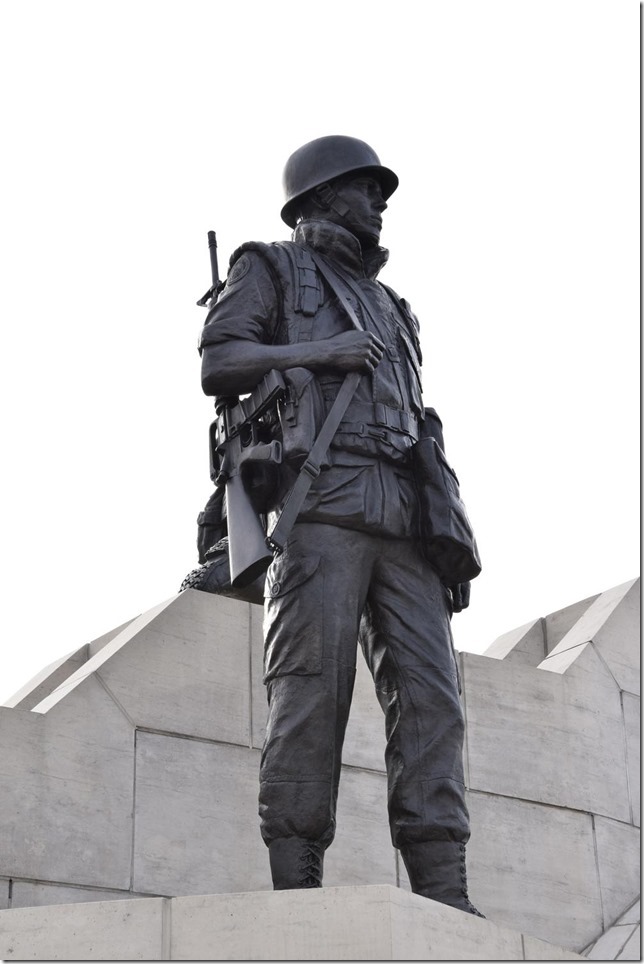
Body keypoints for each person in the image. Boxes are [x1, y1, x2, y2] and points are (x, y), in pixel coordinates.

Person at [198, 135, 483, 915]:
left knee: (433, 700)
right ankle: (297, 887)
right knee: (310, 693)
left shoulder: (395, 307)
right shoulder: (271, 266)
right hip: (321, 499)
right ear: (321, 197)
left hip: (405, 512)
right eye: (365, 187)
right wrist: (325, 350)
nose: (379, 201)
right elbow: (219, 364)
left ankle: (446, 891)